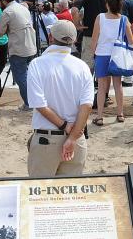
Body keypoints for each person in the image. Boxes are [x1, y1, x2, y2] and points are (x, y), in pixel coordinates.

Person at [26, 20, 94, 176]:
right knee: (71, 196)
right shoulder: (82, 66)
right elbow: (87, 106)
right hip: (76, 138)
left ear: (51, 37)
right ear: (74, 40)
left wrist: (65, 126)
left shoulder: (37, 64)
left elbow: (39, 104)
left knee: (40, 195)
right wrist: (72, 136)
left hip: (47, 139)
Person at [90, 0, 133, 126]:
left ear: (107, 4)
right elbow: (131, 40)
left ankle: (99, 116)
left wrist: (94, 53)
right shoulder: (124, 19)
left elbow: (93, 41)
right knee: (118, 85)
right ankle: (120, 114)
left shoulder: (100, 17)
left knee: (102, 87)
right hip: (117, 56)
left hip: (102, 55)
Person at [0, 0, 37, 110]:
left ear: (3, 0)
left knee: (20, 77)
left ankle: (29, 104)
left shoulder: (7, 12)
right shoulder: (23, 7)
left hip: (19, 48)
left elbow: (0, 31)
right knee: (29, 76)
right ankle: (34, 101)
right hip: (31, 46)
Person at [80, 0, 109, 66]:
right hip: (106, 34)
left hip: (89, 32)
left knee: (87, 62)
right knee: (103, 63)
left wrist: (77, 25)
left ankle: (88, 81)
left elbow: (75, 10)